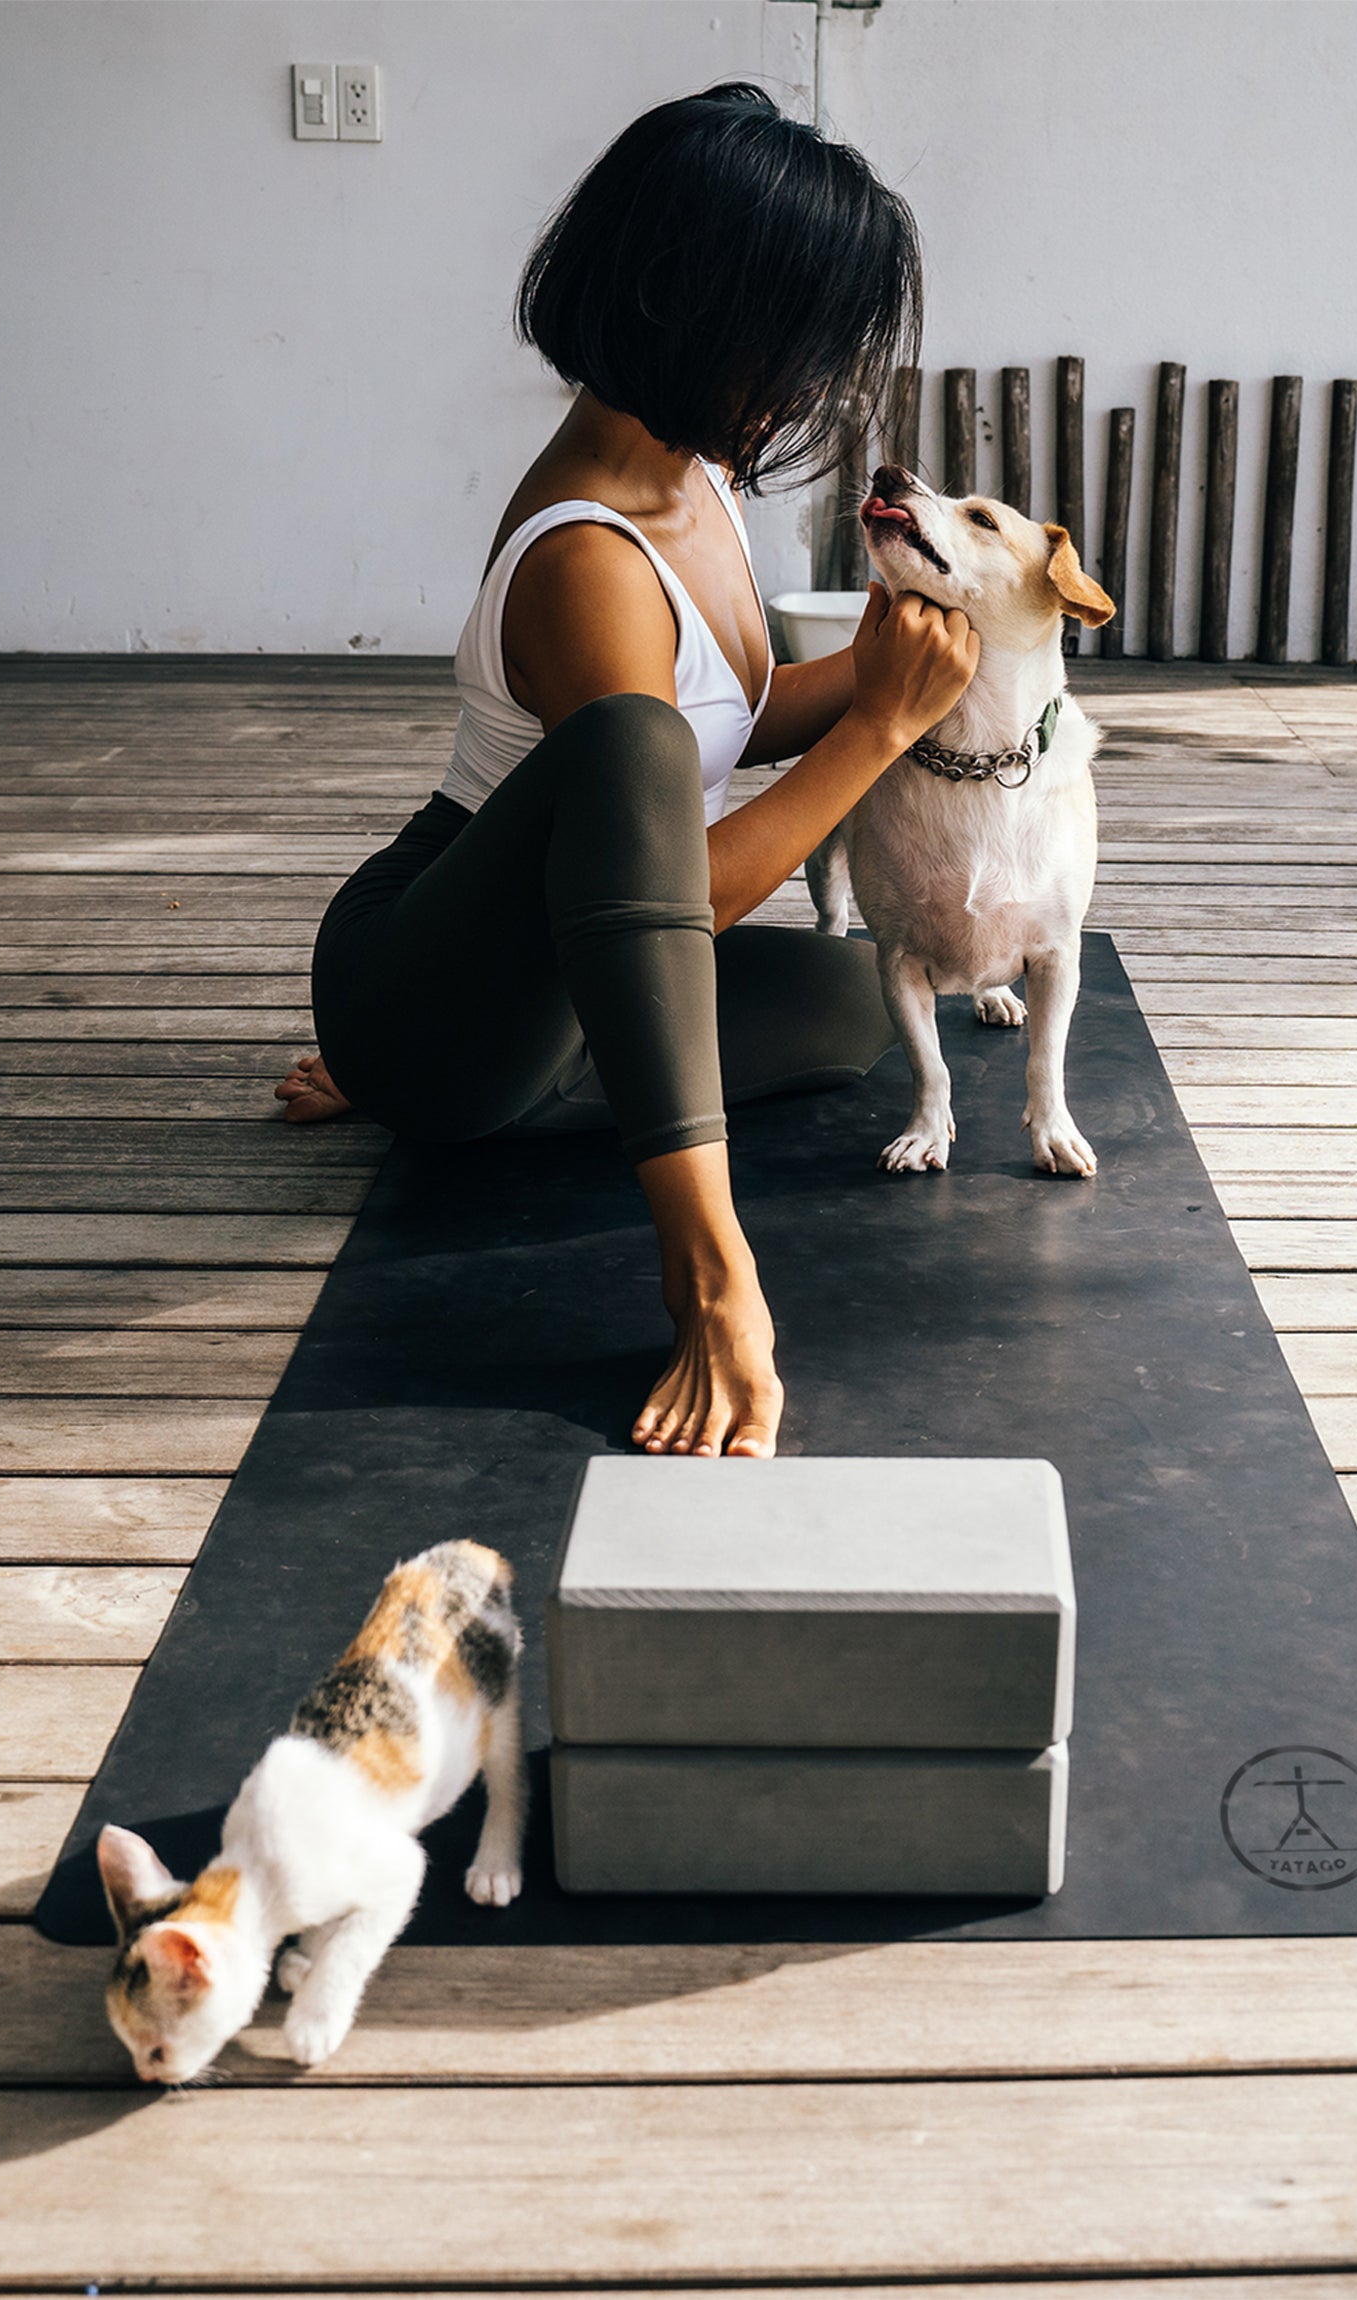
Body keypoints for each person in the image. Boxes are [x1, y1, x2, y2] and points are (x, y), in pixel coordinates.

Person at [276, 83, 975, 1462]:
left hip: (572, 973)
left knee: (852, 1009)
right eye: (806, 346)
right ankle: (702, 1271)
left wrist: (916, 673)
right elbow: (673, 881)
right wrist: (878, 732)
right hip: (436, 967)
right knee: (634, 751)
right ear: (704, 312)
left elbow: (745, 708)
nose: (821, 386)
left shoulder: (696, 479)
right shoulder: (587, 556)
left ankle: (476, 1093)